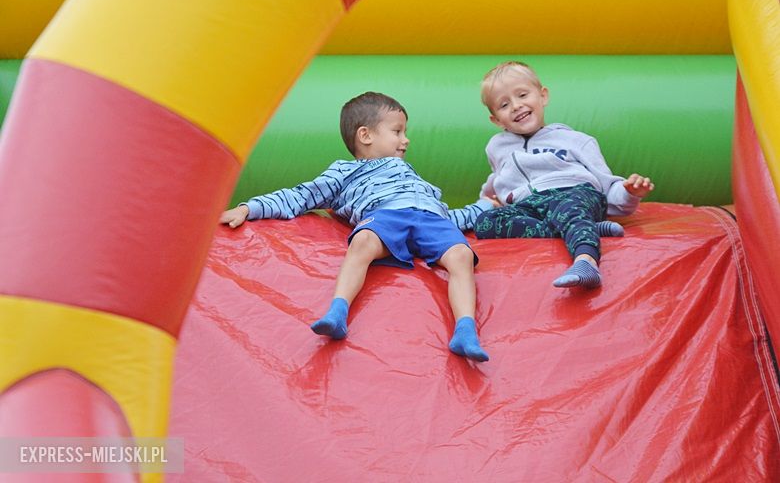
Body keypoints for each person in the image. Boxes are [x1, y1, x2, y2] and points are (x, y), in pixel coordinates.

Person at [220, 92, 496, 361]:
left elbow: (451, 217)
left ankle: (465, 330)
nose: (406, 139)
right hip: (386, 216)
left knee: (461, 255)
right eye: (397, 131)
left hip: (432, 219)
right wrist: (248, 208)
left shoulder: (413, 177)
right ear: (365, 135)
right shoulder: (345, 171)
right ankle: (338, 311)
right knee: (363, 240)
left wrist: (485, 206)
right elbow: (300, 196)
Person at [474, 61, 654, 289]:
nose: (516, 106)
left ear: (543, 96)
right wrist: (485, 200)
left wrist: (629, 192)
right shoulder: (496, 147)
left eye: (522, 95)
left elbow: (607, 186)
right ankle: (584, 227)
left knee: (568, 209)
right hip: (530, 205)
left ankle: (586, 262)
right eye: (504, 104)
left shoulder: (575, 140)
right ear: (496, 120)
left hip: (574, 193)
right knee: (486, 222)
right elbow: (498, 177)